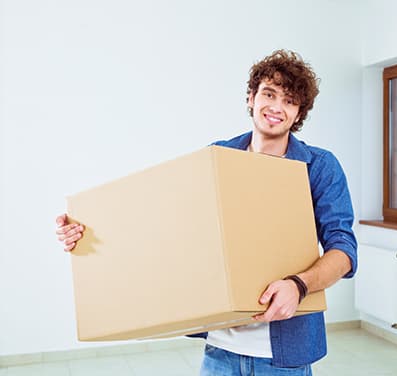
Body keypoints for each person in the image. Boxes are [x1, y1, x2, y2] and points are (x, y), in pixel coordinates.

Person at [56, 49, 357, 375]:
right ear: (251, 97)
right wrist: (86, 234)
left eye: (289, 100)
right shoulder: (218, 157)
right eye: (269, 94)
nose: (276, 107)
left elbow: (343, 249)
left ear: (299, 113)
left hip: (285, 355)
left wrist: (298, 286)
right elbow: (168, 228)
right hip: (221, 350)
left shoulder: (320, 167)